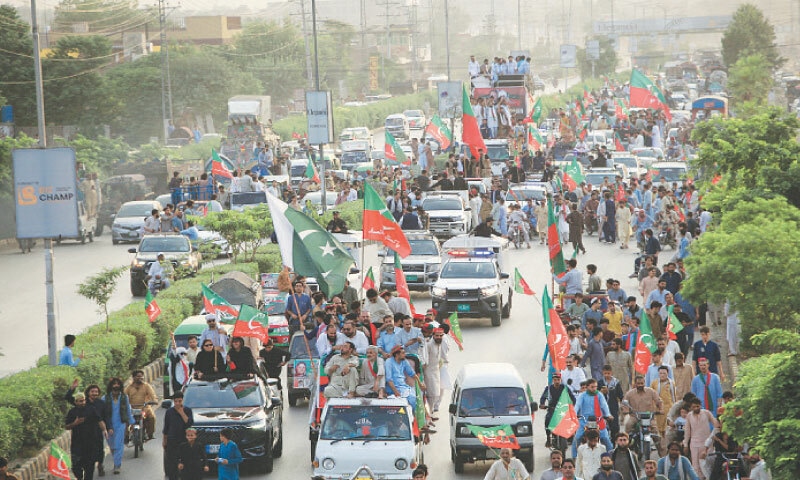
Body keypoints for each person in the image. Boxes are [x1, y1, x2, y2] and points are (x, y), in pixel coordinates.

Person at [65, 381, 108, 478]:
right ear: (76, 402)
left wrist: (105, 430)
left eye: (83, 401)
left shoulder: (93, 408)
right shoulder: (72, 412)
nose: (82, 402)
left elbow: (100, 419)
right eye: (80, 401)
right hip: (77, 443)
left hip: (91, 441)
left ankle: (99, 465)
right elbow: (67, 426)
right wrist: (75, 423)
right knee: (76, 467)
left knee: (89, 468)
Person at [574, 379, 614, 457]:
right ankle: (574, 457)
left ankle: (611, 456)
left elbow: (604, 405)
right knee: (577, 438)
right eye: (592, 387)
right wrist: (574, 414)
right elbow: (577, 405)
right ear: (587, 387)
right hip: (584, 420)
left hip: (598, 420)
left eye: (595, 387)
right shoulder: (582, 395)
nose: (594, 389)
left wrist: (608, 414)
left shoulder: (599, 395)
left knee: (605, 438)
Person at [682, 398, 719, 480]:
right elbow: (687, 431)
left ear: (700, 405)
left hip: (707, 444)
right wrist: (685, 445)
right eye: (694, 407)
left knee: (707, 465)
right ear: (691, 407)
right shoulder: (689, 416)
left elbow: (716, 425)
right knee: (696, 466)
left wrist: (712, 436)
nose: (696, 408)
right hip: (694, 444)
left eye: (697, 406)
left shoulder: (706, 413)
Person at [102, 377, 132, 475]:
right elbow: (101, 412)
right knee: (112, 445)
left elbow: (128, 410)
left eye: (118, 384)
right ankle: (116, 460)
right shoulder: (105, 398)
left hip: (120, 424)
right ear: (111, 386)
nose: (116, 386)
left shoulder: (124, 397)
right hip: (109, 425)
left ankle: (117, 465)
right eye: (114, 384)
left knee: (119, 444)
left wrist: (131, 421)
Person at [163, 392, 193, 480]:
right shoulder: (169, 412)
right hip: (172, 441)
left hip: (184, 440)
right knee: (172, 465)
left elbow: (189, 423)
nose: (177, 403)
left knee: (185, 463)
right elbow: (166, 427)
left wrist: (181, 412)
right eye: (176, 401)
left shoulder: (187, 410)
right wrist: (164, 441)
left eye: (179, 401)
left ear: (182, 400)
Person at [385, 346, 423, 410]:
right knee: (412, 398)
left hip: (404, 387)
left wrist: (420, 384)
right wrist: (396, 392)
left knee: (418, 396)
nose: (404, 355)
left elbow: (412, 374)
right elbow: (389, 380)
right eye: (403, 353)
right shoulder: (389, 362)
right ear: (397, 354)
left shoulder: (404, 361)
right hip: (394, 388)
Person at [124, 370, 158, 441]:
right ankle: (126, 436)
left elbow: (152, 395)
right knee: (125, 420)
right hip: (132, 408)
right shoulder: (129, 387)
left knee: (152, 417)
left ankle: (150, 434)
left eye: (141, 376)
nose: (140, 378)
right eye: (138, 376)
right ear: (134, 377)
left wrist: (154, 400)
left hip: (145, 408)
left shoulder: (146, 386)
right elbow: (123, 396)